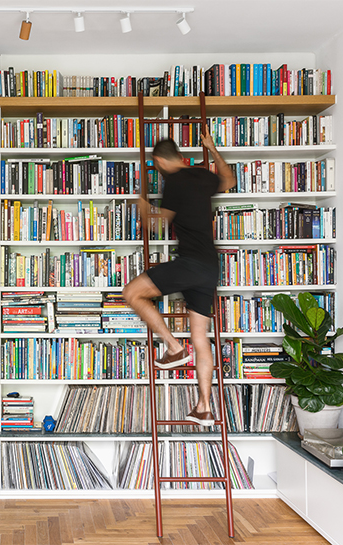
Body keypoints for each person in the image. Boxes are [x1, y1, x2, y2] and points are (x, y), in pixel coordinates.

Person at [122, 130, 236, 426]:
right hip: (211, 267)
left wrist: (142, 205)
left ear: (158, 160)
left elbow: (157, 224)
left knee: (132, 293)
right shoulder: (202, 175)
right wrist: (213, 148)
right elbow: (230, 179)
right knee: (201, 338)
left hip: (191, 264)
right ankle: (204, 408)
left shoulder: (173, 182)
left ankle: (173, 348)